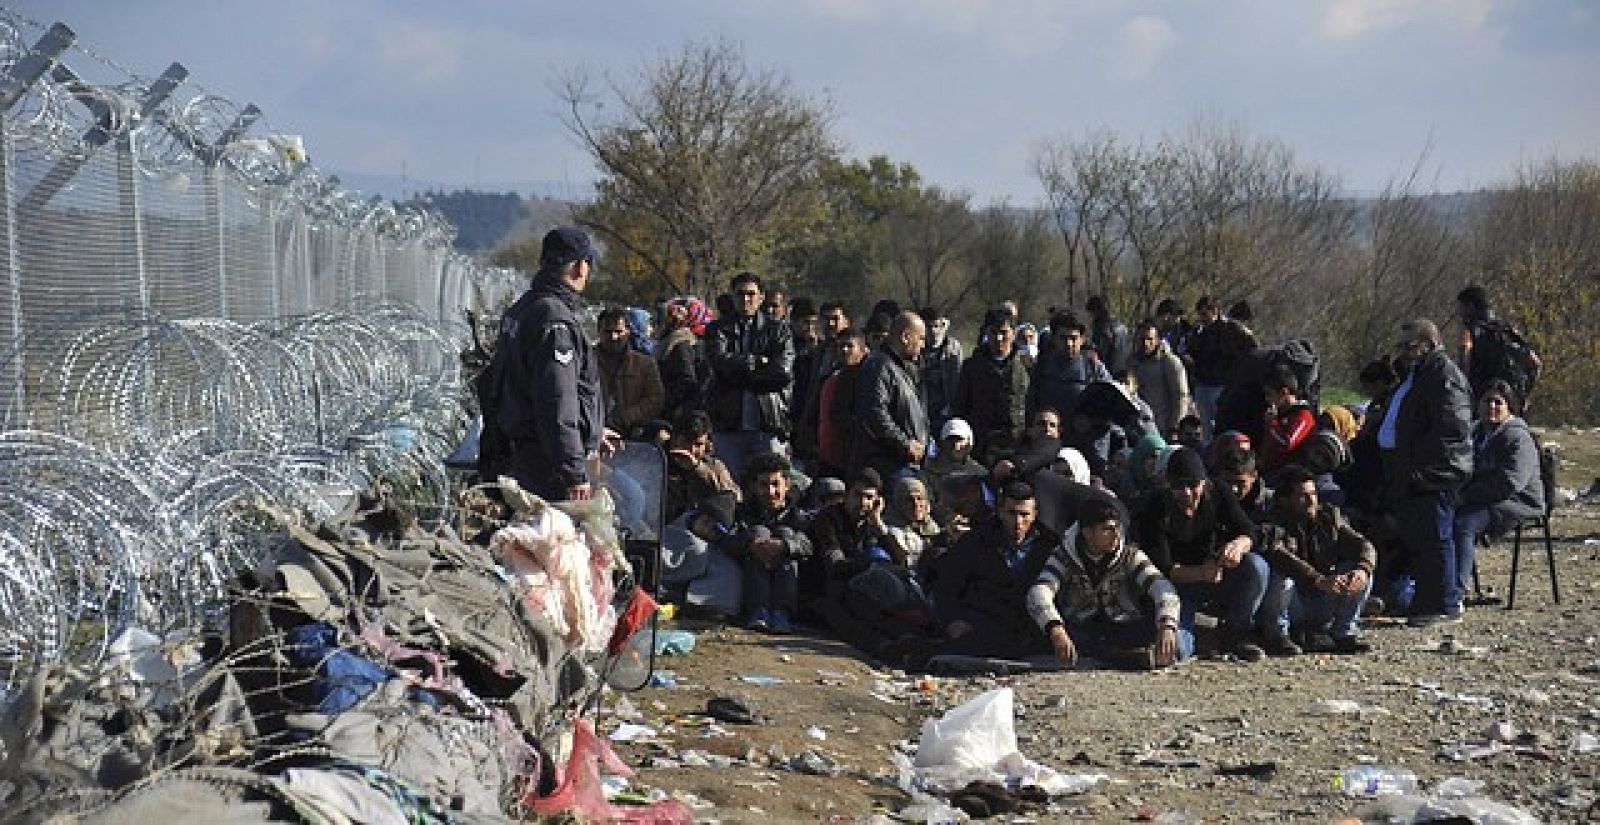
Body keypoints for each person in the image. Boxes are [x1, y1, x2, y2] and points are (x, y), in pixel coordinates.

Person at [490, 226, 619, 501]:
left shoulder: (523, 309)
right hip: (548, 465)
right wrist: (573, 471)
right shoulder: (555, 321)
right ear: (578, 268)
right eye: (587, 263)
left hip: (525, 451)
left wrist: (593, 430)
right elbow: (557, 400)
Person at [1378, 319, 1473, 627]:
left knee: (1436, 538)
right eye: (1402, 347)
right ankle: (1423, 600)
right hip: (1412, 471)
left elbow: (1451, 431)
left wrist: (1424, 469)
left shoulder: (1445, 377)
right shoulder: (1419, 375)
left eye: (1411, 346)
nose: (1405, 353)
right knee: (1419, 539)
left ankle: (1443, 603)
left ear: (1430, 344)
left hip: (1435, 474)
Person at [1134, 447, 1269, 662]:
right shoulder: (1154, 507)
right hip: (1176, 588)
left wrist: (1239, 545)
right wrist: (1201, 573)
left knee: (1256, 567)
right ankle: (1197, 638)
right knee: (1174, 650)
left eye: (1192, 485)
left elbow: (1249, 530)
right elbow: (1164, 567)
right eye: (1178, 486)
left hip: (1217, 576)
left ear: (1204, 482)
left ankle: (1236, 635)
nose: (1186, 493)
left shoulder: (1219, 493)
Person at [1027, 492, 1189, 670]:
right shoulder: (1064, 556)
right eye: (1106, 529)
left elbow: (1161, 586)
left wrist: (1167, 625)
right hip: (1083, 628)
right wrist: (1055, 628)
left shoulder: (1129, 555)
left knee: (1177, 645)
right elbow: (1039, 592)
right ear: (1087, 533)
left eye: (1116, 528)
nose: (1115, 535)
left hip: (1125, 625)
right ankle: (1128, 658)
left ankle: (1129, 657)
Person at [930, 481, 1057, 660]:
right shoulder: (975, 542)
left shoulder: (1048, 546)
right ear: (1000, 511)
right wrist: (952, 621)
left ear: (1035, 515)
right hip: (983, 625)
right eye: (1012, 513)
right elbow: (946, 586)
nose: (1018, 522)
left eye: (1024, 514)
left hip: (1030, 628)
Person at [1259, 465, 1376, 654]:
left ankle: (1343, 633)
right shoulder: (1273, 521)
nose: (1311, 500)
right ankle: (1278, 635)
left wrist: (1362, 569)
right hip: (1294, 600)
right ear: (1285, 500)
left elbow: (1362, 544)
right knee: (1281, 578)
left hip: (1323, 595)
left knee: (1360, 572)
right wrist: (1317, 579)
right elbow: (1279, 555)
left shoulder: (1329, 516)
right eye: (1302, 496)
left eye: (1313, 494)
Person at [1450, 380, 1544, 604]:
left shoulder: (1518, 437)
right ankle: (1433, 585)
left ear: (1509, 406)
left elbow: (1510, 482)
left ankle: (1454, 594)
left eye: (1497, 402)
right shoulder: (1476, 432)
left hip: (1518, 501)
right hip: (1484, 497)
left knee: (1464, 524)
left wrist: (1465, 497)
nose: (1491, 406)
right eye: (1486, 401)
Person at [707, 272, 795, 480]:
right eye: (740, 294)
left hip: (768, 422)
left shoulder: (779, 330)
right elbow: (718, 362)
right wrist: (756, 362)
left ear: (761, 297)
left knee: (772, 484)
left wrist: (740, 373)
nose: (745, 299)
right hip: (729, 424)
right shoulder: (718, 329)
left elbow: (782, 372)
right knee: (730, 486)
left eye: (751, 294)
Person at [732, 452, 814, 632]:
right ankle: (758, 611)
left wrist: (785, 546)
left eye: (775, 484)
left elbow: (809, 544)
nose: (770, 492)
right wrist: (751, 543)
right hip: (751, 569)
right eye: (763, 485)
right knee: (758, 532)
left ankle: (782, 613)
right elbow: (728, 540)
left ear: (787, 485)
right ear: (753, 486)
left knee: (786, 534)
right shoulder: (742, 512)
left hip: (787, 573)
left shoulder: (798, 515)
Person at [851, 311, 930, 482]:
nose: (923, 345)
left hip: (903, 463)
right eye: (921, 338)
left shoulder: (902, 369)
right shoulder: (879, 367)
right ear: (906, 337)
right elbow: (875, 413)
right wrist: (904, 444)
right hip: (887, 467)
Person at [806, 468, 908, 598]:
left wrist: (879, 525)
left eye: (869, 497)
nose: (863, 503)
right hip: (827, 592)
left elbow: (901, 562)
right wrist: (873, 565)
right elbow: (835, 566)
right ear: (846, 495)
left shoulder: (870, 522)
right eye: (858, 495)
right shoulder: (827, 519)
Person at [954, 310, 1030, 465]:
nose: (999, 338)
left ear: (1014, 334)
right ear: (986, 334)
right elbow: (961, 405)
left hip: (1016, 442)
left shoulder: (1026, 366)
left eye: (1004, 333)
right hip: (981, 442)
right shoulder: (972, 366)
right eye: (994, 332)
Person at [660, 491, 744, 620]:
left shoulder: (714, 552)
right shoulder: (673, 529)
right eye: (705, 522)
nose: (707, 530)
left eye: (716, 529)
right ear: (696, 516)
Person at [1457, 285, 1541, 406]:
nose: (1460, 313)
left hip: (1482, 401)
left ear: (1470, 307)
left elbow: (1465, 361)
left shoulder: (1469, 332)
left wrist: (1463, 395)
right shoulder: (1508, 331)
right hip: (1510, 401)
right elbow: (1536, 363)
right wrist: (1526, 395)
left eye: (1461, 308)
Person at [1028, 313, 1110, 428]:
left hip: (1083, 438)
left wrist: (1091, 421)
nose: (1069, 344)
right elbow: (1030, 406)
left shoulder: (1094, 368)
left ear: (1082, 339)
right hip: (1048, 436)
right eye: (1063, 338)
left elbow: (1108, 405)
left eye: (1073, 338)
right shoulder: (1042, 367)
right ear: (1054, 338)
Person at [596, 307, 666, 438]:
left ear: (628, 332)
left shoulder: (645, 364)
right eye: (608, 332)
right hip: (595, 431)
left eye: (618, 331)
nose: (613, 337)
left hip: (633, 434)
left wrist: (627, 417)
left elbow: (655, 398)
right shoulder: (584, 362)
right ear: (599, 332)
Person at [664, 409, 740, 523]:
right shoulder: (659, 463)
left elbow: (734, 497)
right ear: (674, 439)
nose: (691, 450)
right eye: (686, 442)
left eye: (698, 444)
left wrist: (698, 469)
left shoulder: (714, 466)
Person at [813, 328, 869, 479]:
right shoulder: (831, 378)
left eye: (850, 346)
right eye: (840, 346)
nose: (844, 350)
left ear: (863, 350)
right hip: (829, 455)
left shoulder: (869, 379)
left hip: (855, 456)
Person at [1128, 320, 1191, 439]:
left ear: (1157, 340)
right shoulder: (1132, 362)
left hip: (1163, 427)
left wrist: (1175, 427)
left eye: (1150, 339)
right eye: (1142, 339)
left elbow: (1181, 397)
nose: (1146, 343)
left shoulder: (1170, 362)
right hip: (1138, 427)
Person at [657, 296, 712, 420]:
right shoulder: (671, 341)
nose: (668, 321)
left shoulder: (682, 344)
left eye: (673, 317)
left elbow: (687, 381)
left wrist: (668, 405)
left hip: (677, 413)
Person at [1260, 365, 1317, 477]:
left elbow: (1287, 443)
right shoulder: (1280, 414)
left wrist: (1272, 424)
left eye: (1270, 394)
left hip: (1289, 475)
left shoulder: (1303, 416)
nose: (1267, 399)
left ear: (1284, 392)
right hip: (1270, 470)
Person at [919, 306, 964, 432]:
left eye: (936, 326)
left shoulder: (953, 347)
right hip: (923, 413)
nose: (933, 331)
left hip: (948, 411)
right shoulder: (916, 350)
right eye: (928, 327)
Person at [922, 418, 984, 499]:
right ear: (942, 443)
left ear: (969, 442)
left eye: (960, 440)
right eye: (950, 440)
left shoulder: (980, 473)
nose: (955, 445)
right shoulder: (927, 471)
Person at [1085, 295, 1131, 378]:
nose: (1090, 317)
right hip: (1124, 368)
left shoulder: (1101, 325)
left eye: (1091, 313)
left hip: (1109, 369)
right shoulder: (1118, 323)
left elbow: (1102, 348)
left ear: (1095, 311)